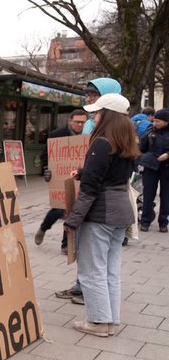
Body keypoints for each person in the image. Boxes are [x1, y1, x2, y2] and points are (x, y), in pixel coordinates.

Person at [65, 93, 138, 337]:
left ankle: (97, 321)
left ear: (106, 115)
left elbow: (91, 189)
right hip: (121, 212)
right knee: (110, 269)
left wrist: (73, 220)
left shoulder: (101, 142)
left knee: (92, 269)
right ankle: (108, 319)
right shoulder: (127, 141)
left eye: (96, 112)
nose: (93, 116)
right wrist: (85, 172)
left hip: (101, 213)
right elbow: (112, 174)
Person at [54, 77, 122, 303]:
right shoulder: (112, 128)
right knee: (104, 263)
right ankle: (84, 289)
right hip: (107, 202)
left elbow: (98, 174)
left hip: (99, 205)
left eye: (94, 95)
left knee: (95, 262)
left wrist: (74, 218)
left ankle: (96, 310)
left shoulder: (106, 133)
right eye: (88, 95)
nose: (90, 100)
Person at [35, 109, 88, 252]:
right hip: (60, 178)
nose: (79, 125)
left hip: (78, 177)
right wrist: (47, 169)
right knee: (59, 209)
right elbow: (45, 155)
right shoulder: (56, 135)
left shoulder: (87, 137)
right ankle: (43, 228)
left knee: (73, 210)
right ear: (70, 121)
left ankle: (66, 244)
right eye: (77, 122)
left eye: (82, 122)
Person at [138, 108, 169, 232]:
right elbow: (143, 147)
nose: (155, 123)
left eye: (158, 121)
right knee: (148, 194)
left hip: (166, 167)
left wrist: (168, 155)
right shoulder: (150, 130)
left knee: (166, 195)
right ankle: (145, 221)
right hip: (151, 165)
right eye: (154, 120)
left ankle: (163, 222)